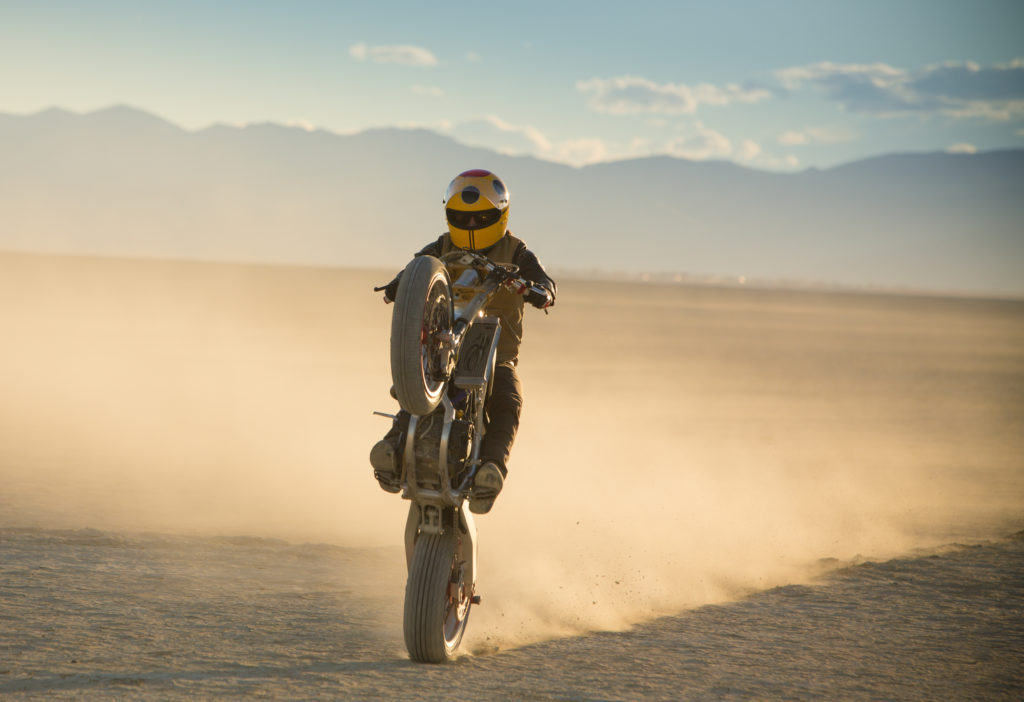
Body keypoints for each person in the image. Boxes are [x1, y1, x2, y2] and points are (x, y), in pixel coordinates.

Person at [370, 169, 556, 513]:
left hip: (496, 356)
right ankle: (392, 449)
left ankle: (490, 470)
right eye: (463, 219)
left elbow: (545, 284)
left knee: (508, 401)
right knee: (415, 388)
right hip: (442, 348)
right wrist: (397, 286)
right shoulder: (441, 246)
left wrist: (536, 291)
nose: (471, 226)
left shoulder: (517, 251)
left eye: (481, 218)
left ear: (500, 215)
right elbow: (414, 270)